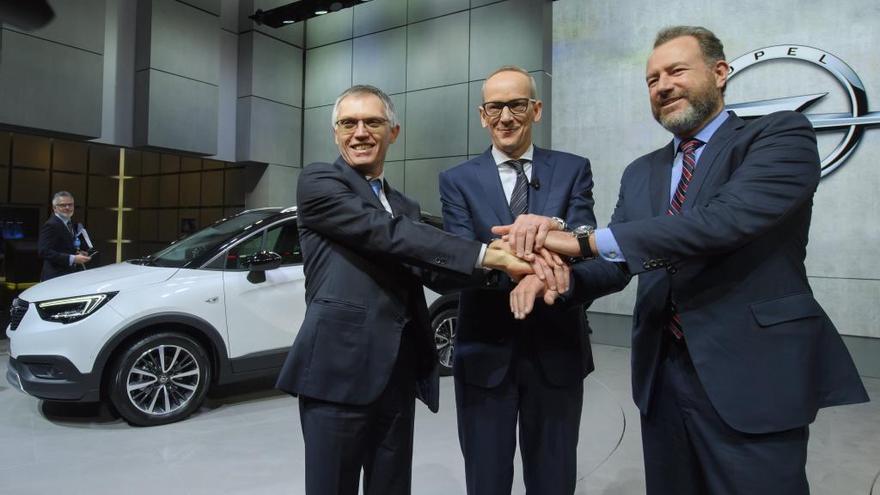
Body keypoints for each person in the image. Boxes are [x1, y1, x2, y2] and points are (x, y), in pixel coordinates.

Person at [496, 26, 869, 494]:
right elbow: (619, 263)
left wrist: (578, 242)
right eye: (652, 80)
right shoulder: (642, 171)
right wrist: (555, 280)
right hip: (662, 375)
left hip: (751, 370)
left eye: (676, 71)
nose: (663, 85)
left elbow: (721, 222)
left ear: (719, 72)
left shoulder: (778, 136)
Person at [275, 84, 534, 495]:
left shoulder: (406, 207)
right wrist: (489, 253)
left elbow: (433, 269)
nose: (360, 132)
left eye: (373, 122)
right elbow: (386, 233)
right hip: (336, 372)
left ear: (393, 132)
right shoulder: (319, 182)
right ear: (336, 134)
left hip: (397, 372)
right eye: (348, 123)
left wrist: (513, 270)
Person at [438, 65, 626, 495]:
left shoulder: (573, 169)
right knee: (486, 481)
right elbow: (466, 255)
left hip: (557, 350)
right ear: (482, 115)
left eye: (517, 104)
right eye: (495, 107)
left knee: (554, 480)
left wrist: (550, 233)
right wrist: (535, 268)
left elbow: (583, 239)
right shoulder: (457, 181)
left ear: (536, 109)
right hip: (484, 353)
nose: (505, 117)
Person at [37, 191, 91, 281]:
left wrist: (78, 253)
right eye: (63, 205)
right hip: (54, 277)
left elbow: (64, 247)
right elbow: (44, 251)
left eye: (70, 205)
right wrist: (73, 259)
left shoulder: (71, 224)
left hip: (68, 276)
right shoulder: (51, 225)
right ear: (54, 208)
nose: (67, 207)